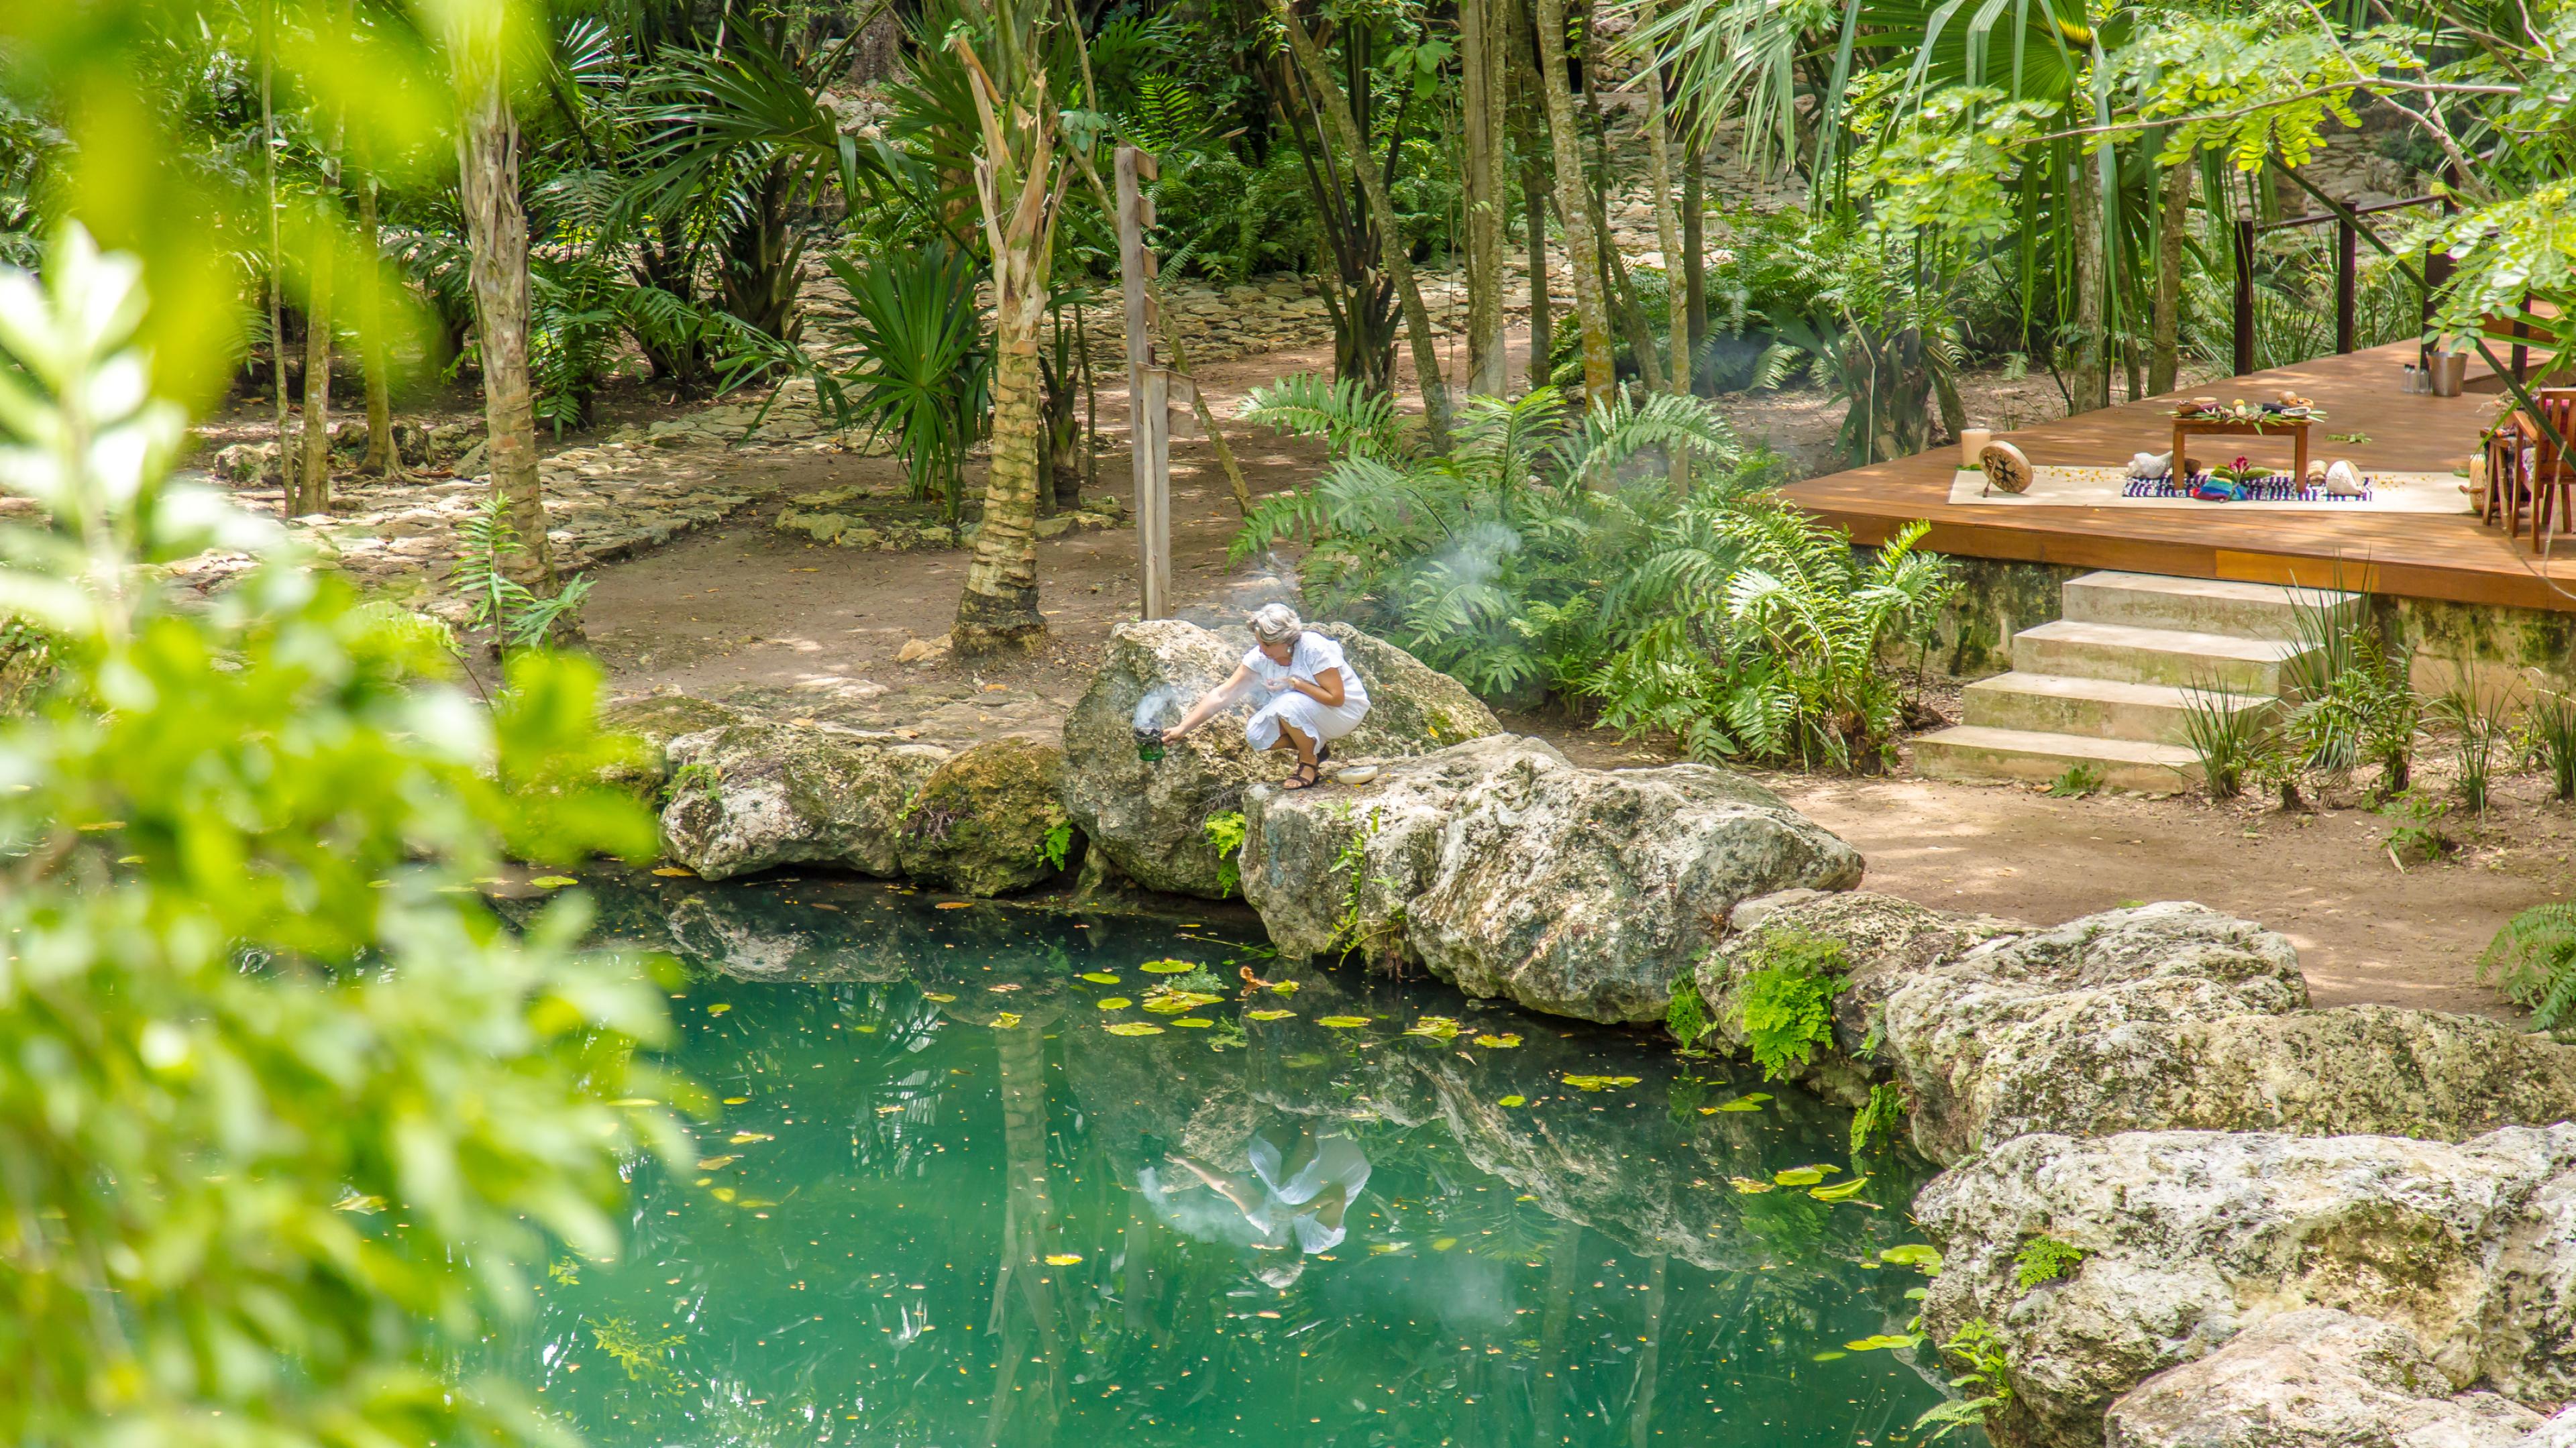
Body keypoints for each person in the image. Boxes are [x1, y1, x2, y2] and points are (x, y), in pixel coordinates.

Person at [1161, 603, 1369, 790]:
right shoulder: (1261, 657)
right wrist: (1183, 728)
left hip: (1344, 711)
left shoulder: (1313, 648)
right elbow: (1223, 694)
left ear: (1286, 640)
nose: (1262, 650)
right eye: (1259, 643)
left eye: (1267, 645)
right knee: (1257, 735)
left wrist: (1296, 684)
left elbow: (1336, 698)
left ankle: (1308, 763)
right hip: (1306, 712)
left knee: (1286, 704)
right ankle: (1318, 747)